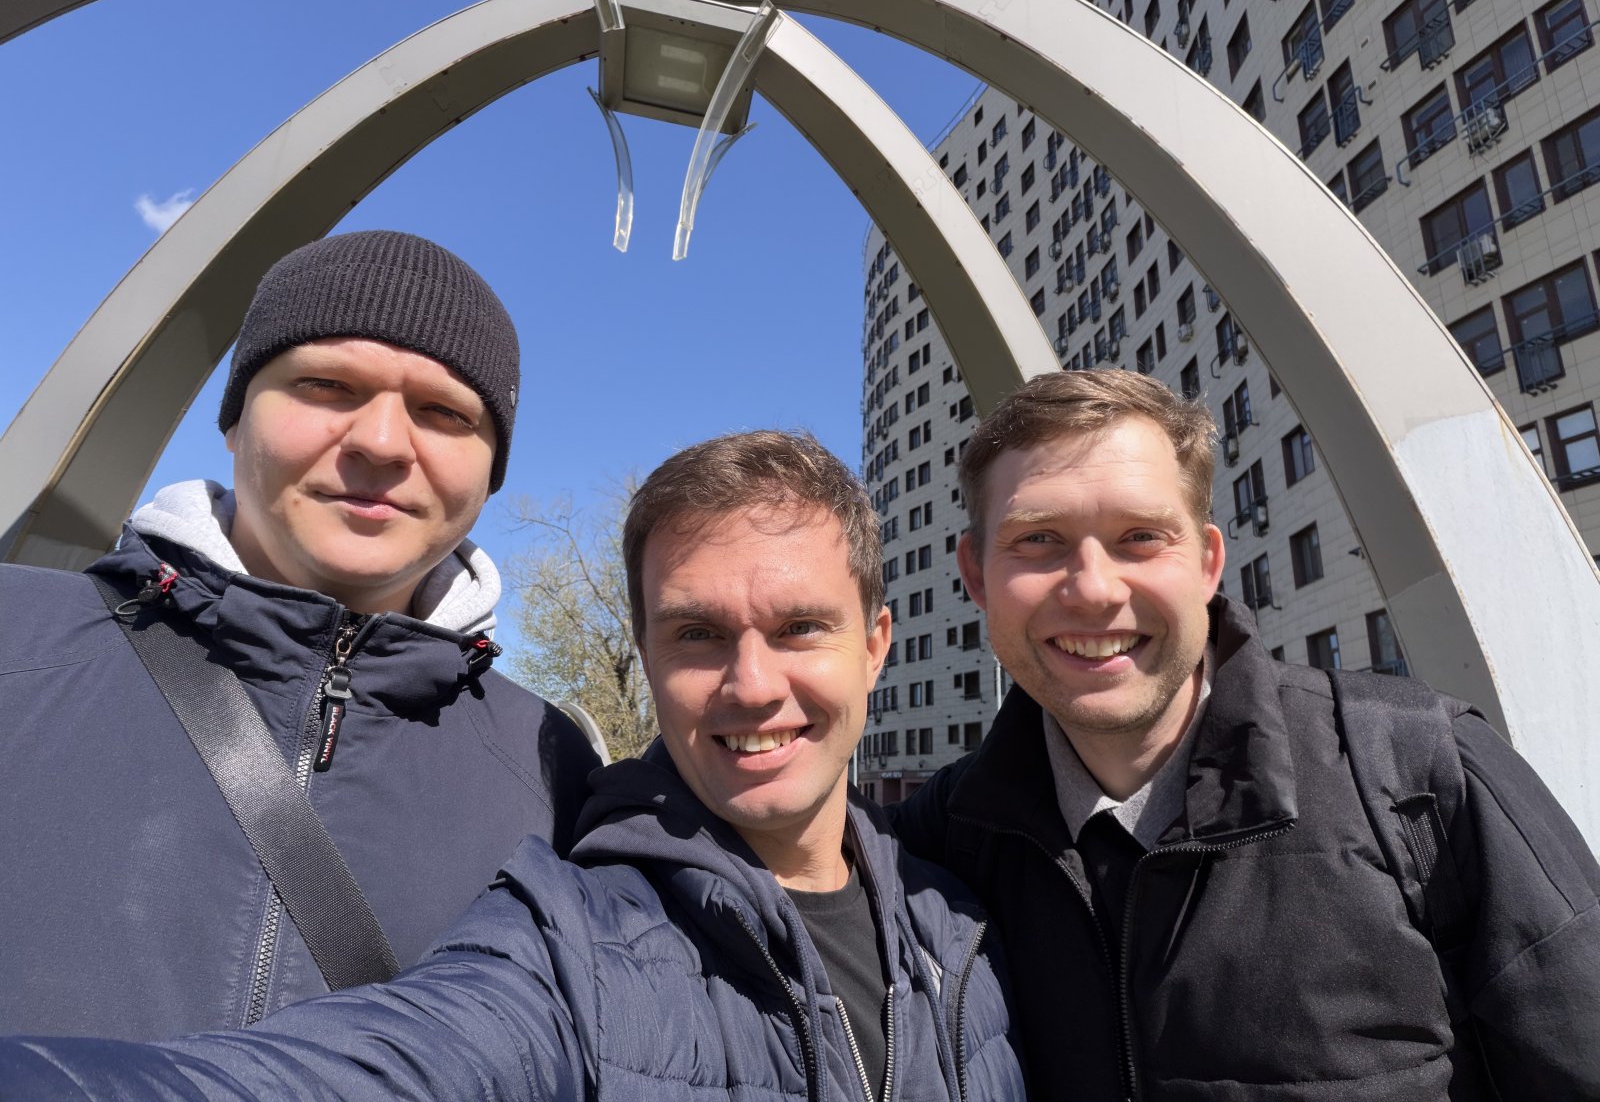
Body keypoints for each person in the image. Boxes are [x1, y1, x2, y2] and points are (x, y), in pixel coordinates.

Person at [0, 430, 1024, 1102]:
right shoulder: (574, 941)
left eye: (800, 628)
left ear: (876, 644)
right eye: (697, 635)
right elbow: (378, 1066)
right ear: (646, 655)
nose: (752, 685)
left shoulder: (968, 926)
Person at [894, 369, 1600, 1101]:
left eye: (1141, 537)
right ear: (976, 576)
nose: (1095, 588)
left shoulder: (1419, 770)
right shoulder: (940, 841)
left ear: (1207, 563)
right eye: (1039, 539)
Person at [0, 230, 599, 1039]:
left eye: (444, 412)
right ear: (235, 421)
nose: (381, 442)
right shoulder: (16, 639)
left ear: (490, 474)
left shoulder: (558, 771)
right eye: (326, 385)